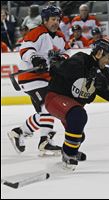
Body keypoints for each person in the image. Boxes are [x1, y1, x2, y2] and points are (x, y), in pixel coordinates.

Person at [44, 39, 109, 170]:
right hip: (55, 98)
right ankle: (69, 154)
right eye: (108, 57)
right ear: (99, 53)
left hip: (72, 107)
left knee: (79, 136)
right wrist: (56, 63)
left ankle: (68, 150)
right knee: (79, 116)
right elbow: (62, 69)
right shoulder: (81, 59)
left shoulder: (103, 73)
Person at [7, 5, 71, 156]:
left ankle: (18, 132)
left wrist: (61, 58)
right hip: (30, 77)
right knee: (49, 106)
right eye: (53, 19)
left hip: (45, 78)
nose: (56, 22)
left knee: (47, 111)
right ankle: (45, 142)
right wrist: (35, 58)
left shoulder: (60, 36)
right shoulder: (37, 32)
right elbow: (26, 50)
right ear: (45, 20)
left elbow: (67, 51)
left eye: (57, 19)